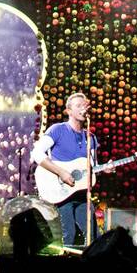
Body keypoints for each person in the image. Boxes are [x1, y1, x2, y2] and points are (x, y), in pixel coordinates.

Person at [31, 92, 102, 246]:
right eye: (78, 106)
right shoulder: (58, 130)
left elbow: (91, 167)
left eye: (84, 105)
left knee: (94, 235)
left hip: (82, 194)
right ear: (69, 111)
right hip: (61, 193)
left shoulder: (91, 137)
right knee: (68, 235)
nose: (82, 108)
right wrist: (61, 172)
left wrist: (105, 168)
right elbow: (36, 153)